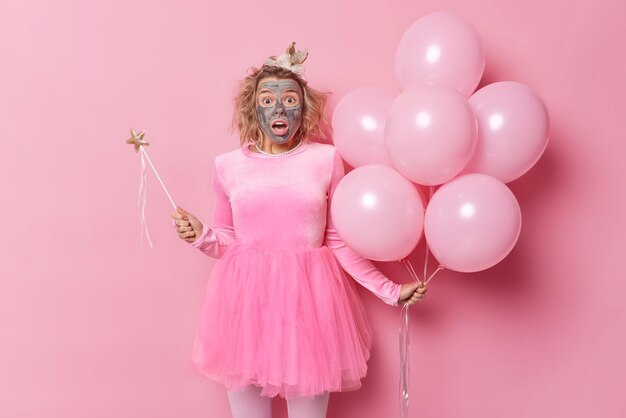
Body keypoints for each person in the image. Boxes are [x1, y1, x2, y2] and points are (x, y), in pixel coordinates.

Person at [171, 42, 427, 418]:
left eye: (289, 99)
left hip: (309, 306)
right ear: (251, 107)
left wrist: (390, 290)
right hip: (245, 309)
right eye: (268, 99)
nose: (278, 108)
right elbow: (227, 239)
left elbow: (338, 240)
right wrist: (201, 235)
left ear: (303, 109)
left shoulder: (325, 160)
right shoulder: (227, 166)